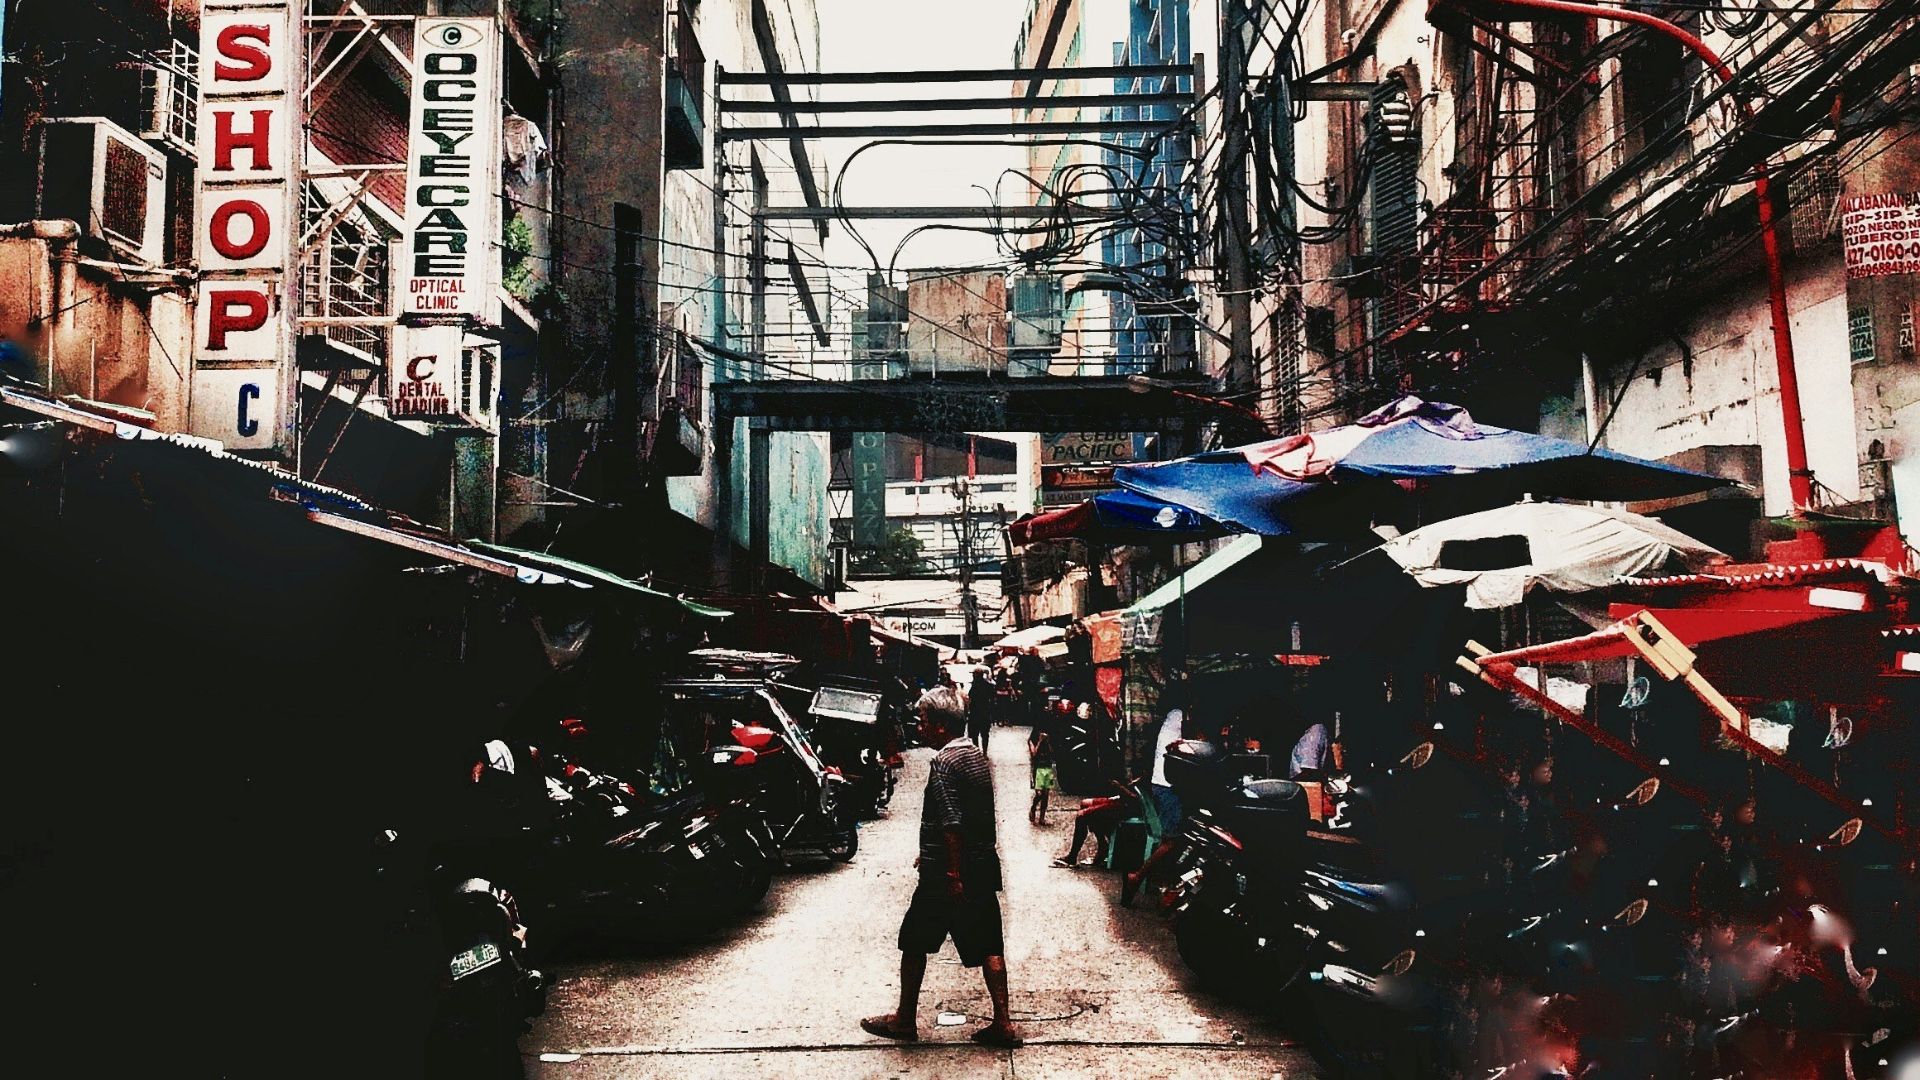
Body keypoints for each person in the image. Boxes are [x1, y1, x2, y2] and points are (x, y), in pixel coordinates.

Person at [862, 702, 1023, 1048]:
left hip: (948, 874)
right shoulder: (975, 755)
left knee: (914, 940)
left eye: (923, 721)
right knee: (990, 942)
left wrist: (951, 871)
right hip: (981, 865)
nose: (918, 727)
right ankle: (1003, 1022)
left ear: (939, 726)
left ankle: (905, 1019)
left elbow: (952, 820)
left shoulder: (944, 762)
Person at [1122, 692, 1191, 907]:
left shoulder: (1174, 716)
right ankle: (1137, 876)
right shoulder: (1180, 717)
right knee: (1172, 840)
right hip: (1167, 784)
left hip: (1164, 782)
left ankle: (1168, 882)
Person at [1028, 725, 1055, 824]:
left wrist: (1047, 742)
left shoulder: (1048, 741)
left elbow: (1053, 753)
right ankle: (1033, 808)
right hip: (1038, 768)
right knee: (1039, 794)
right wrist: (1039, 741)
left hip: (1047, 768)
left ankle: (1042, 817)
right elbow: (1034, 753)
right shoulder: (1032, 741)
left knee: (1046, 794)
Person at [966, 665, 993, 750]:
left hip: (975, 713)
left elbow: (970, 698)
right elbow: (992, 699)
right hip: (985, 712)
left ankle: (977, 750)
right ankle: (984, 752)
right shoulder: (989, 685)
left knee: (975, 734)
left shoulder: (974, 686)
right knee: (984, 734)